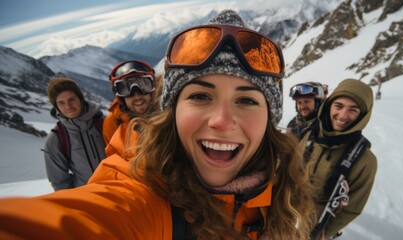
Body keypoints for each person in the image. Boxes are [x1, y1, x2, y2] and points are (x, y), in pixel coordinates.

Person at [0, 10, 316, 239]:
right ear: (171, 112)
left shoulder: (278, 193)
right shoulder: (145, 202)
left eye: (246, 100)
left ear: (268, 120)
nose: (221, 121)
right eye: (201, 96)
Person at [301, 78, 377, 239]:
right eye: (339, 106)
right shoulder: (310, 136)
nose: (343, 115)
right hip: (284, 215)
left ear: (362, 116)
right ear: (329, 106)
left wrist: (323, 233)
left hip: (312, 229)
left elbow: (351, 208)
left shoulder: (365, 161)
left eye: (353, 110)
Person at [43, 77, 106, 191]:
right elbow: (59, 182)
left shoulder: (103, 123)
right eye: (61, 103)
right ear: (56, 107)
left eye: (72, 99)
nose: (68, 107)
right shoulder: (57, 138)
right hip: (88, 200)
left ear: (80, 98)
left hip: (120, 193)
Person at [102, 60, 159, 156]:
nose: (137, 96)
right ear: (120, 97)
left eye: (143, 85)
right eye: (125, 88)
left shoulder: (166, 112)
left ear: (152, 89)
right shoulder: (113, 123)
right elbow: (115, 160)